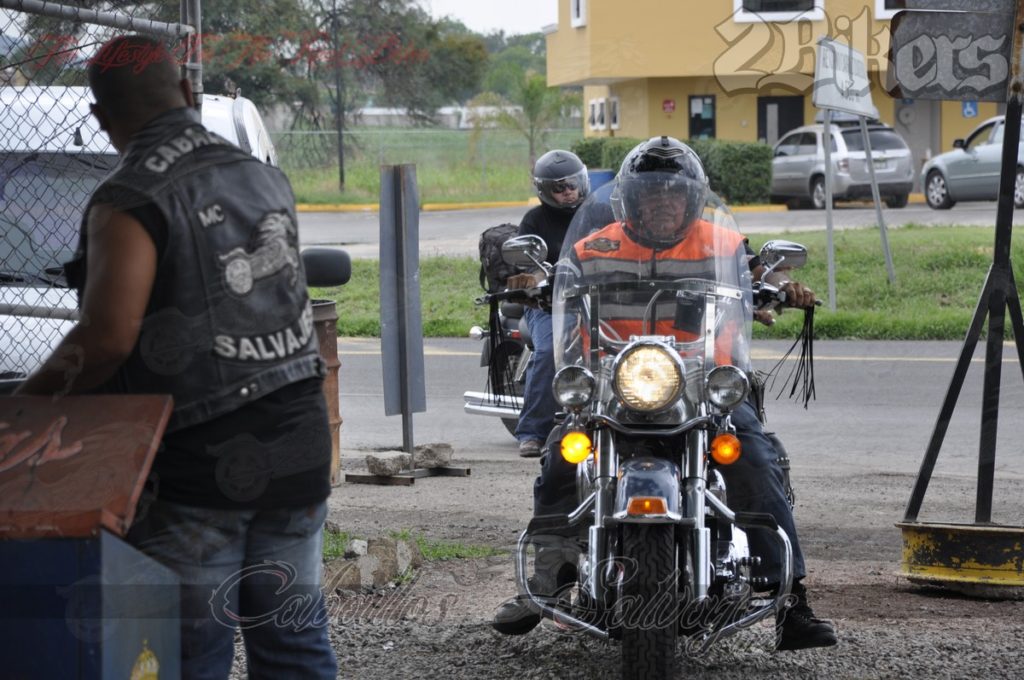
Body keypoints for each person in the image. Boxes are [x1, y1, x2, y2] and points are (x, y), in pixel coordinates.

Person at [15, 35, 337, 678]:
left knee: (190, 658)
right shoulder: (263, 176)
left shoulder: (130, 196)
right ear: (188, 93)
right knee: (294, 648)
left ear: (101, 117)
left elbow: (107, 338)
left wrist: (25, 407)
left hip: (201, 466)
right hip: (299, 446)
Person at [493, 136, 836, 652]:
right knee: (562, 460)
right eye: (650, 194)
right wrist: (533, 283)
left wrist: (782, 284)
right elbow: (560, 286)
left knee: (754, 459)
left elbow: (758, 274)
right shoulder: (592, 248)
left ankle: (790, 600)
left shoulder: (722, 245)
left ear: (693, 199)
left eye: (674, 194)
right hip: (612, 384)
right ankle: (548, 580)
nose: (662, 203)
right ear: (628, 200)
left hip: (704, 385)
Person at [505, 150, 589, 457]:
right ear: (545, 190)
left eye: (572, 184)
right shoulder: (535, 220)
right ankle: (532, 431)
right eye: (559, 187)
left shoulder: (599, 213)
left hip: (595, 298)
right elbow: (526, 268)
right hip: (548, 304)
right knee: (552, 351)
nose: (568, 191)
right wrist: (541, 275)